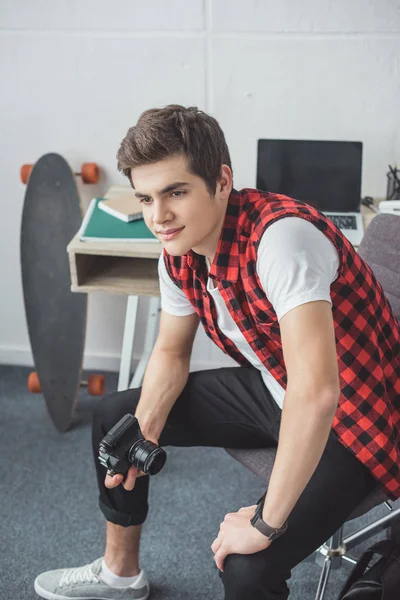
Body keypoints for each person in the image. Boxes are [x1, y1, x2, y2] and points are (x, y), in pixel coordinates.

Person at [34, 105, 400, 600]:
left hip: (352, 414)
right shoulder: (179, 250)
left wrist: (266, 523)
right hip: (278, 385)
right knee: (116, 419)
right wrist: (146, 429)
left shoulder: (282, 241)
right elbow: (170, 351)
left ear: (222, 180)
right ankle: (120, 576)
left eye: (175, 192)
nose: (158, 217)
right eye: (146, 198)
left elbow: (317, 394)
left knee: (247, 567)